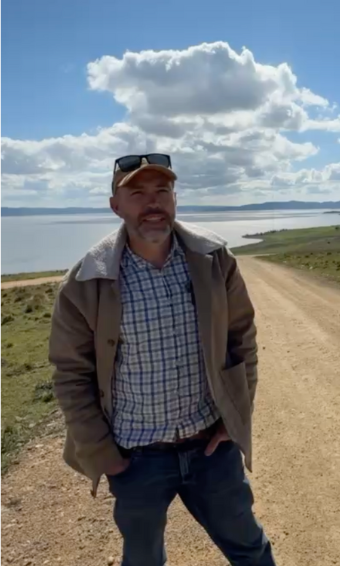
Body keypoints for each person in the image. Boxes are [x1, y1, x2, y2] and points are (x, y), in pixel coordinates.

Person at [48, 154, 276, 566]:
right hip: (135, 457)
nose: (153, 203)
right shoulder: (85, 281)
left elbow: (243, 340)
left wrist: (234, 417)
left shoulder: (214, 260)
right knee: (143, 560)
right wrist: (103, 454)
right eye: (137, 194)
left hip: (210, 446)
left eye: (162, 191)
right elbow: (70, 375)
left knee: (249, 548)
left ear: (174, 198)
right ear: (115, 205)